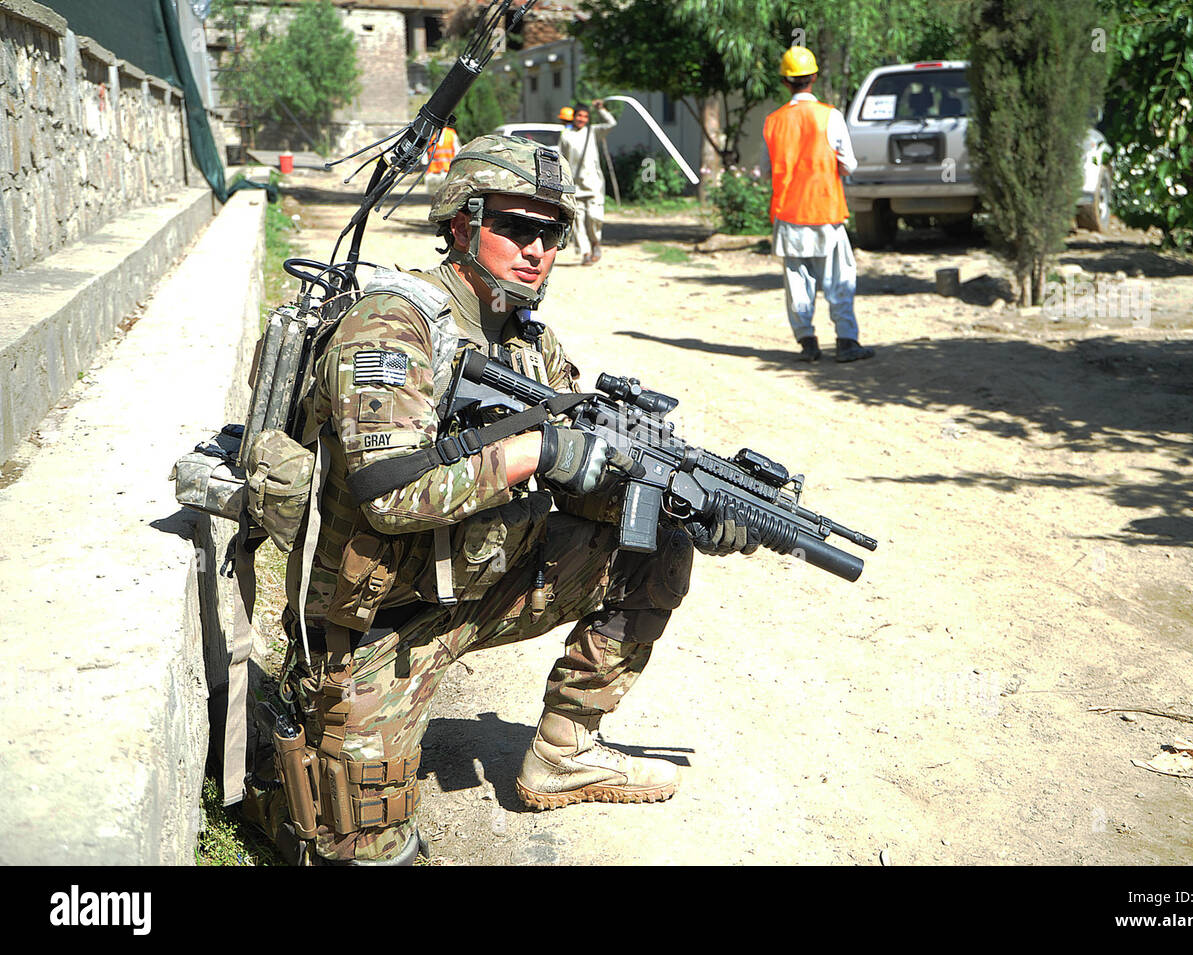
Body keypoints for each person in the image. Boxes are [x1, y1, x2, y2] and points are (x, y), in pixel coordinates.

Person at [275, 135, 756, 865]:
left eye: (550, 232)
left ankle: (564, 753)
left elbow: (586, 484)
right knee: (356, 846)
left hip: (486, 584)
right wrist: (536, 450)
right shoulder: (391, 323)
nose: (536, 248)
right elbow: (389, 494)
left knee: (654, 544)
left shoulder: (532, 341)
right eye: (515, 227)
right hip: (380, 627)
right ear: (462, 223)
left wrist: (685, 503)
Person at [761, 47, 873, 363]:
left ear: (785, 80)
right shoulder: (831, 116)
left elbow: (765, 171)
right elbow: (848, 165)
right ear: (813, 77)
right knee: (839, 279)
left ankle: (808, 343)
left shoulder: (773, 122)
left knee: (798, 283)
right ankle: (847, 342)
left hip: (788, 215)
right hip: (825, 211)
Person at [558, 100, 617, 265]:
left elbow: (611, 123)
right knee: (578, 222)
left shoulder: (592, 132)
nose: (582, 119)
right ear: (574, 117)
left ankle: (595, 243)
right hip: (574, 187)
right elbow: (561, 160)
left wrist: (601, 109)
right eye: (579, 116)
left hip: (594, 185)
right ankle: (585, 253)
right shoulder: (566, 136)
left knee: (594, 218)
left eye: (585, 116)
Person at [423, 125, 460, 198]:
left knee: (445, 197)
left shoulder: (451, 134)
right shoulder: (431, 134)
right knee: (437, 197)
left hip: (447, 172)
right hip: (433, 172)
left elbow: (457, 151)